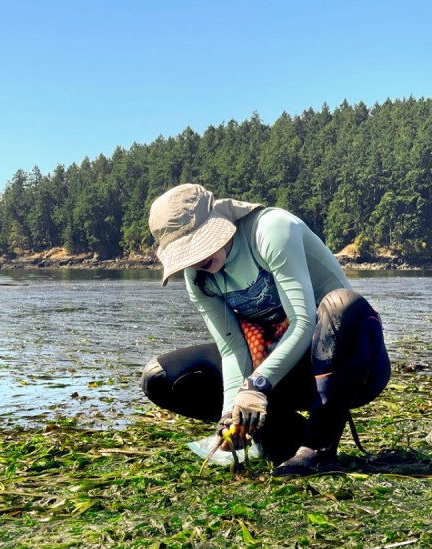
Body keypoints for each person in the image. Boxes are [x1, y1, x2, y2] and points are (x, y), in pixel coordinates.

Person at [141, 183, 391, 475]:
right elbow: (232, 346)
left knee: (341, 304)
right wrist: (230, 413)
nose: (197, 261)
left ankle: (319, 445)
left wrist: (256, 385)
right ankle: (284, 436)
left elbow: (304, 321)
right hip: (278, 369)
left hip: (345, 365)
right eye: (187, 255)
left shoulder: (271, 229)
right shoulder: (198, 277)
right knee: (159, 377)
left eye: (199, 245)